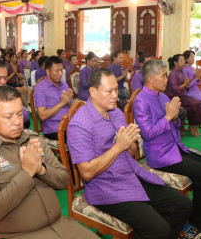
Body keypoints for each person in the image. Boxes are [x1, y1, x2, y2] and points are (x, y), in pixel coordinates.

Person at [68, 68, 192, 239]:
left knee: (183, 205)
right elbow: (87, 173)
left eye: (116, 90)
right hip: (105, 186)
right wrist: (119, 146)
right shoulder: (79, 124)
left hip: (131, 173)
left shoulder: (116, 113)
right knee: (158, 228)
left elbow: (132, 152)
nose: (115, 95)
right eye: (109, 91)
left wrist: (129, 144)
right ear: (93, 92)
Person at [0, 85, 99, 239]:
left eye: (20, 114)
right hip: (20, 234)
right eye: (8, 117)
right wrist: (27, 173)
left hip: (61, 225)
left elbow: (64, 180)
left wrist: (41, 170)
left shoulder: (33, 139)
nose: (17, 122)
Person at [133, 59, 201, 236]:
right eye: (163, 76)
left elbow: (176, 123)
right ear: (151, 79)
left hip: (175, 147)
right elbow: (148, 134)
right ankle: (197, 218)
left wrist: (174, 118)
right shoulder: (141, 101)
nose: (167, 79)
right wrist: (168, 117)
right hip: (160, 156)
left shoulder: (163, 96)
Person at [34, 56, 73, 140]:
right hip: (55, 129)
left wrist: (69, 101)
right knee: (80, 136)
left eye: (61, 70)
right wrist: (62, 103)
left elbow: (71, 106)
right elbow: (42, 116)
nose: (60, 73)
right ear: (48, 71)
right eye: (57, 71)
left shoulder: (64, 85)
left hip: (70, 124)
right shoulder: (40, 88)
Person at [166, 54, 201, 137]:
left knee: (197, 103)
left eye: (184, 60)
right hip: (174, 97)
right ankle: (192, 127)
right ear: (176, 63)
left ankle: (193, 127)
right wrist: (185, 84)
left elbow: (186, 86)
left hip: (182, 96)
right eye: (182, 61)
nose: (184, 62)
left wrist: (189, 82)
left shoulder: (182, 72)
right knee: (192, 104)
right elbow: (174, 89)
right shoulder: (172, 74)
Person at [182, 50, 201, 126]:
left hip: (197, 90)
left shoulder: (193, 68)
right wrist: (196, 78)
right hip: (190, 92)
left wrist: (198, 78)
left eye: (194, 57)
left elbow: (198, 82)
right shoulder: (184, 69)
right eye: (191, 57)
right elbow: (187, 86)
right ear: (186, 59)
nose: (193, 59)